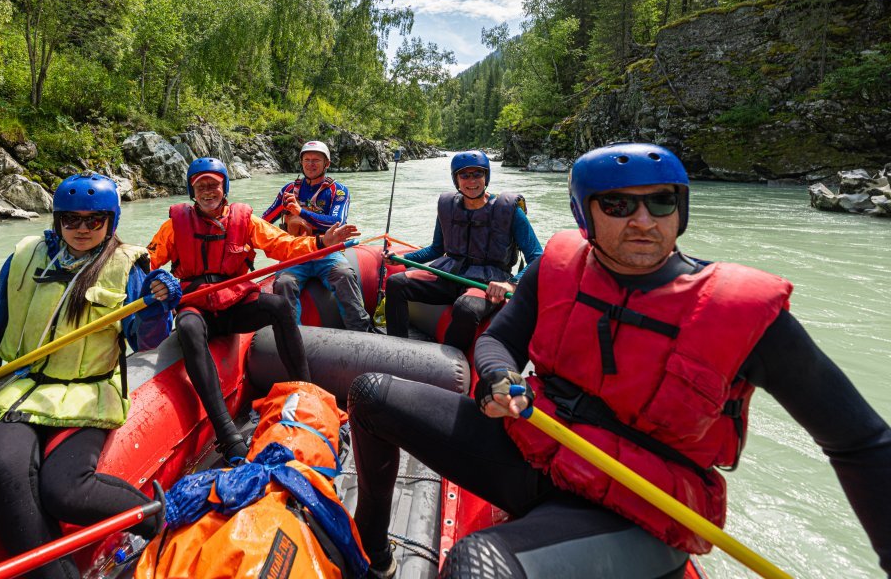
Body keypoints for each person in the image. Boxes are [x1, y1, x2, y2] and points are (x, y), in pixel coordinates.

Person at [348, 143, 891, 578]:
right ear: (584, 213)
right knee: (371, 394)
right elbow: (500, 342)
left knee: (477, 564)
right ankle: (374, 556)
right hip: (537, 446)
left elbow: (861, 442)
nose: (644, 221)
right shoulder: (557, 268)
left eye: (662, 202)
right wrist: (497, 374)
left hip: (638, 504)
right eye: (618, 205)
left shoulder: (747, 314)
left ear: (681, 210)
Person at [0, 173, 180, 579]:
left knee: (64, 491)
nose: (82, 229)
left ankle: (160, 520)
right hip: (18, 390)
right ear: (57, 220)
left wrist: (156, 309)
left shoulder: (127, 266)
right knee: (2, 469)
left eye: (94, 220)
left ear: (111, 221)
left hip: (87, 393)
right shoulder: (23, 257)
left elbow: (145, 342)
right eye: (71, 219)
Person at [147, 157, 359, 462]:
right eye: (200, 186)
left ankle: (307, 393)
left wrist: (321, 241)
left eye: (213, 185)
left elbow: (283, 244)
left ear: (224, 188)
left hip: (235, 305)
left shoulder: (245, 220)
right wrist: (154, 279)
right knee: (188, 326)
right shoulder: (173, 226)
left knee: (279, 306)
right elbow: (148, 262)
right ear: (192, 191)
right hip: (198, 307)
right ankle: (228, 435)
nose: (208, 191)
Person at [384, 150, 542, 352]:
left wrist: (511, 284)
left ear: (486, 177)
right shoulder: (448, 207)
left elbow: (536, 257)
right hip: (449, 275)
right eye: (464, 175)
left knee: (466, 308)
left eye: (477, 174)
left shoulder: (509, 210)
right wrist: (403, 258)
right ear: (456, 179)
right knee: (396, 283)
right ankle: (396, 348)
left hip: (487, 281)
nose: (471, 181)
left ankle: (449, 362)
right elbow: (437, 248)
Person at [264, 140, 373, 332]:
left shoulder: (338, 191)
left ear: (326, 164)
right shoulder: (289, 190)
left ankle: (360, 330)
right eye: (307, 160)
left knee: (345, 275)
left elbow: (336, 222)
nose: (310, 164)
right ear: (301, 162)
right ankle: (291, 336)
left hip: (327, 252)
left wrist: (301, 212)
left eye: (316, 160)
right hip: (296, 251)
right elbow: (265, 220)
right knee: (283, 283)